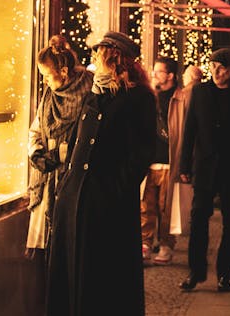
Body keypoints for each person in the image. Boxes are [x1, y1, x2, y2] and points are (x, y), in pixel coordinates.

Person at [46, 31, 156, 316]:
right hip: (74, 199)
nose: (94, 58)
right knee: (70, 268)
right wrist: (66, 185)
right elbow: (78, 141)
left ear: (113, 58)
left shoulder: (139, 97)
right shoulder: (95, 94)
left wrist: (115, 190)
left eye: (98, 53)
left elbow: (142, 152)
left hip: (106, 202)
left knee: (102, 272)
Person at [178, 47, 230, 293]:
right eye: (212, 65)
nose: (215, 71)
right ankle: (196, 271)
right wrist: (185, 165)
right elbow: (190, 129)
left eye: (221, 67)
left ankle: (225, 274)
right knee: (198, 220)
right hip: (204, 166)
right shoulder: (201, 92)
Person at [26, 36, 93, 261]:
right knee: (48, 250)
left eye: (47, 75)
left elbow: (90, 139)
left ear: (64, 72)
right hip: (47, 180)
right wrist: (36, 152)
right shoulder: (49, 95)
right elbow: (37, 128)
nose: (44, 81)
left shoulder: (89, 93)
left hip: (73, 180)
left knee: (70, 248)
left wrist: (60, 154)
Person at [140, 56, 191, 265]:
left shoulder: (181, 98)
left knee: (167, 209)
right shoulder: (149, 97)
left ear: (170, 75)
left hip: (171, 162)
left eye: (159, 72)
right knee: (145, 207)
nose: (154, 75)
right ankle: (145, 243)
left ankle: (166, 244)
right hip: (149, 163)